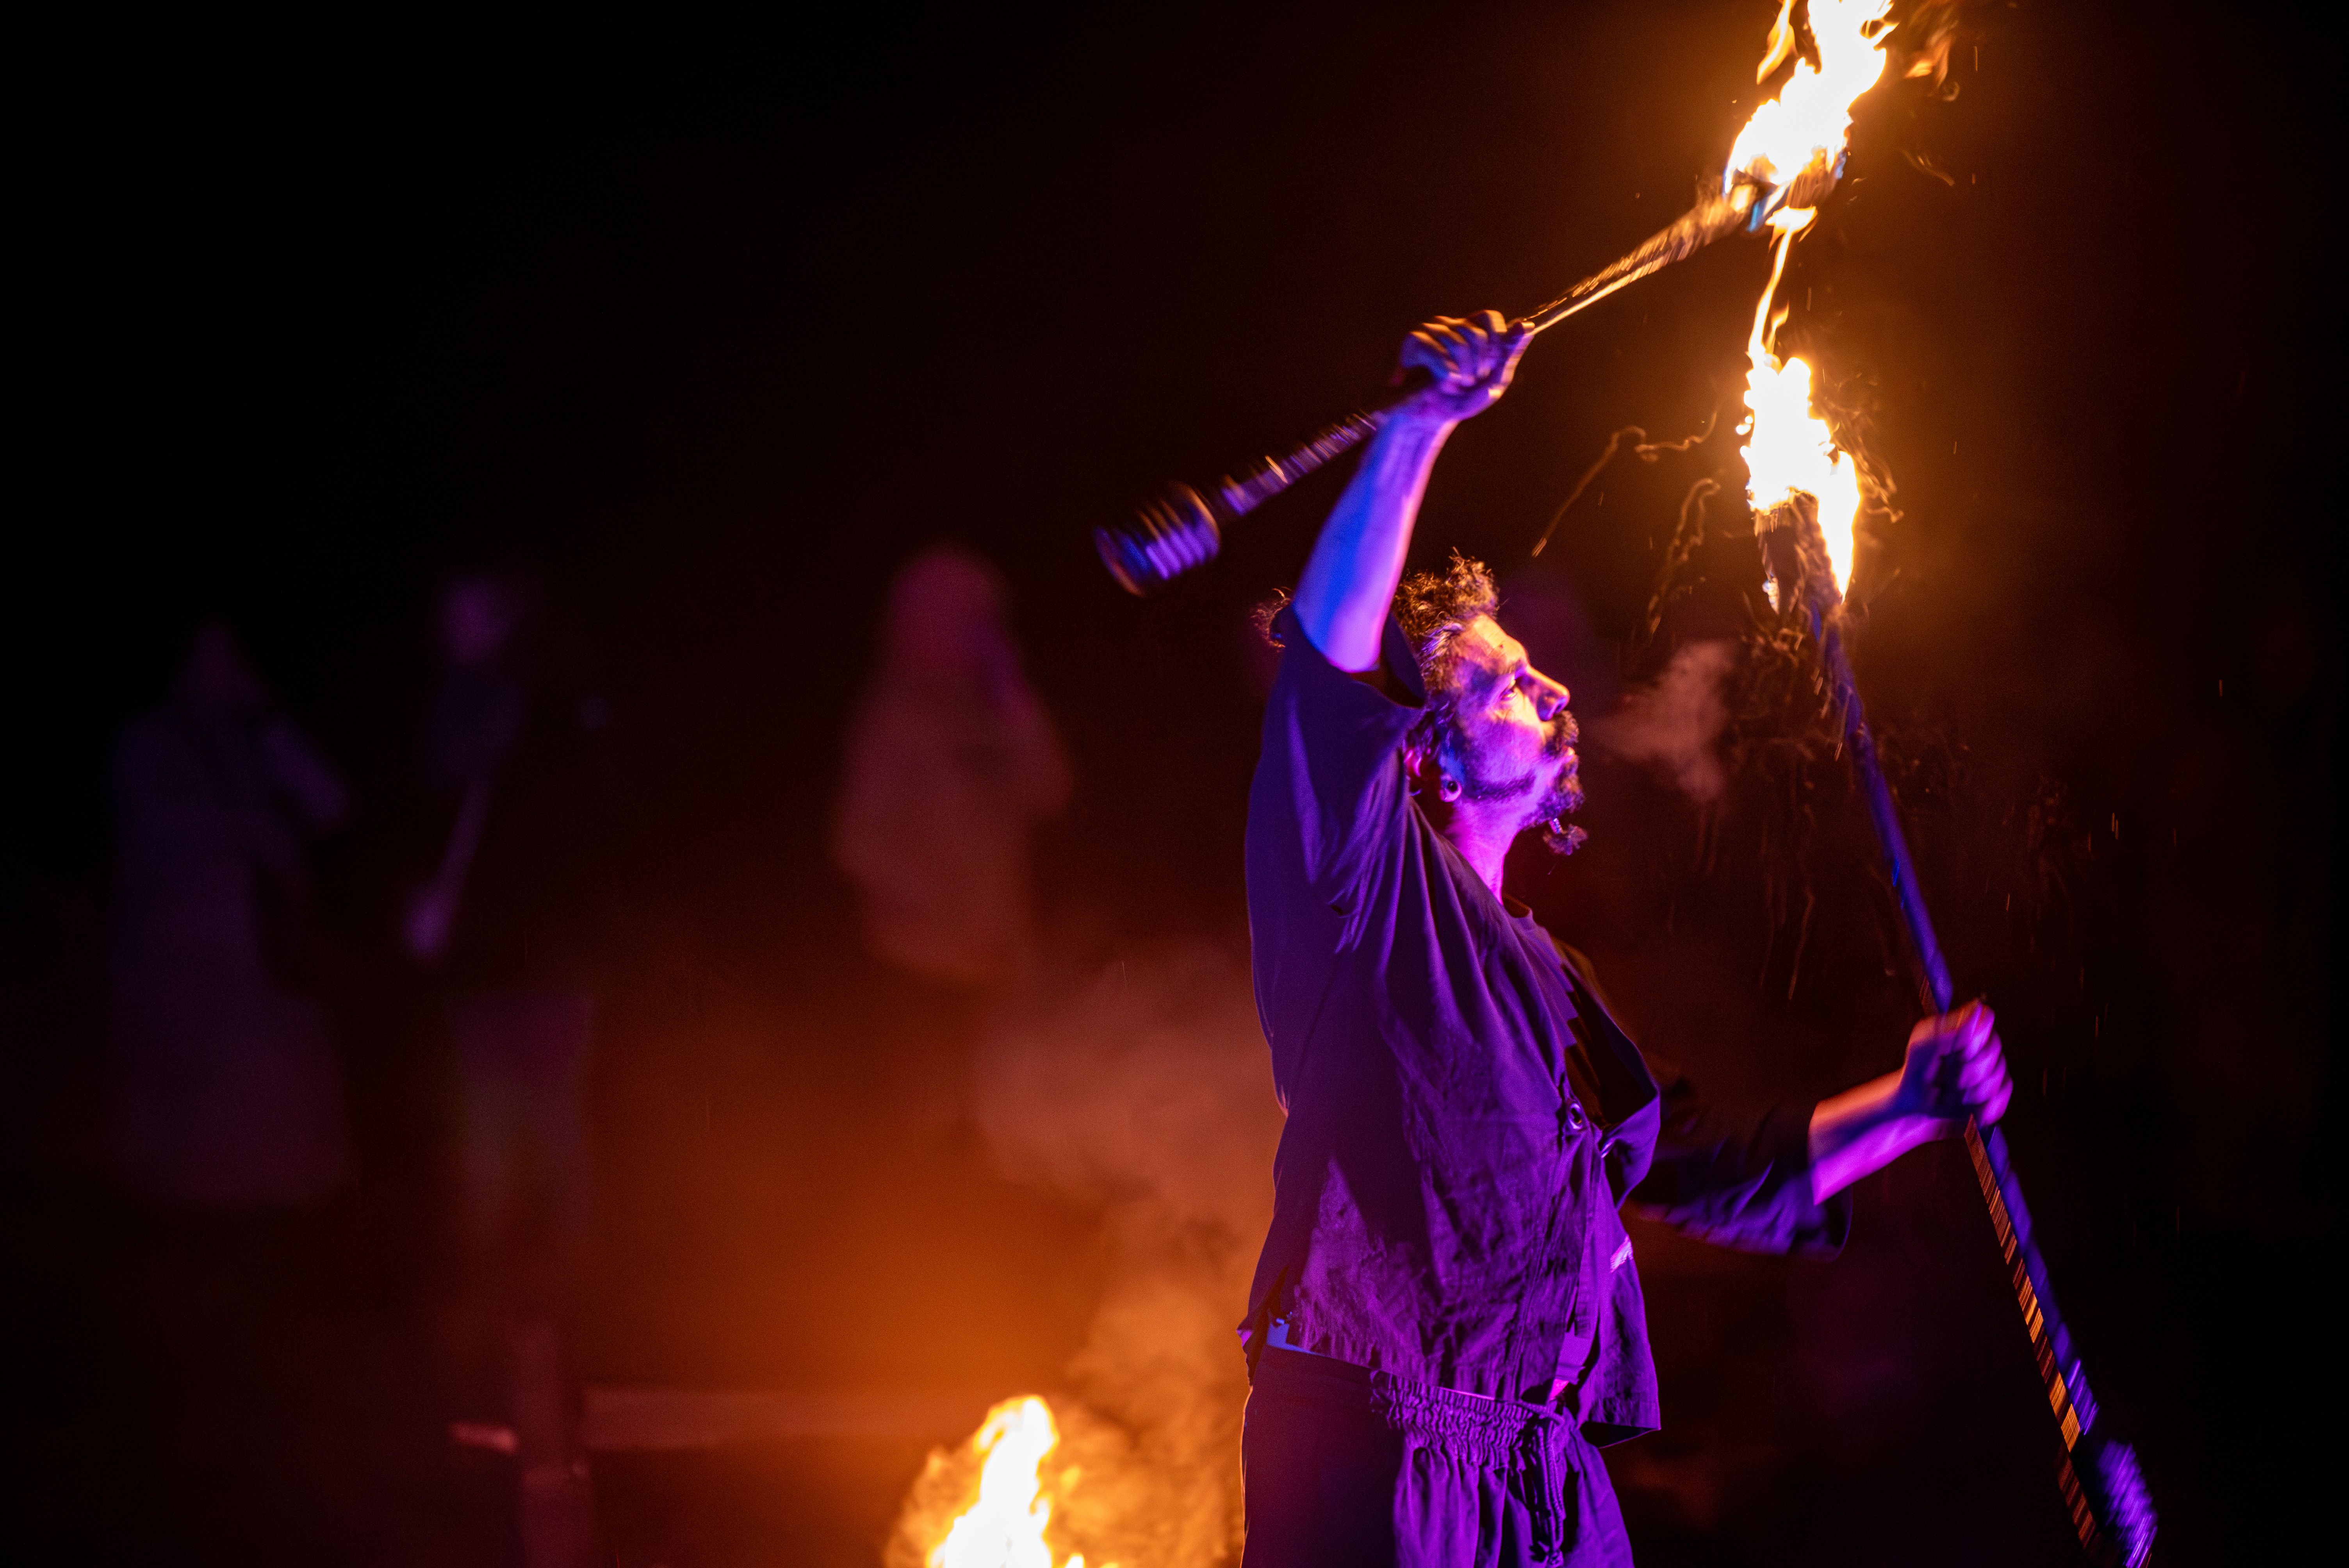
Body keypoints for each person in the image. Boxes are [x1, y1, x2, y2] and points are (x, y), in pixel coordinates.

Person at [1237, 312, 2012, 1567]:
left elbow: (1702, 1165)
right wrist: (1418, 430)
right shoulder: (1363, 894)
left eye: (1539, 672)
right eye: (1503, 686)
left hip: (1546, 1478)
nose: (1551, 693)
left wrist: (1914, 1104)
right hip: (1379, 1449)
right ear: (1426, 752)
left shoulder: (1556, 986)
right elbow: (1326, 680)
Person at [107, 622, 353, 1206]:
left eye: (230, 654)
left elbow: (331, 803)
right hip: (183, 950)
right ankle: (196, 1221)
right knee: (198, 1105)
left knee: (273, 1099)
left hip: (262, 947)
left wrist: (270, 719)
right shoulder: (147, 743)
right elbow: (152, 830)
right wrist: (250, 829)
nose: (223, 668)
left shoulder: (252, 741)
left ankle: (274, 1209)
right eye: (209, 655)